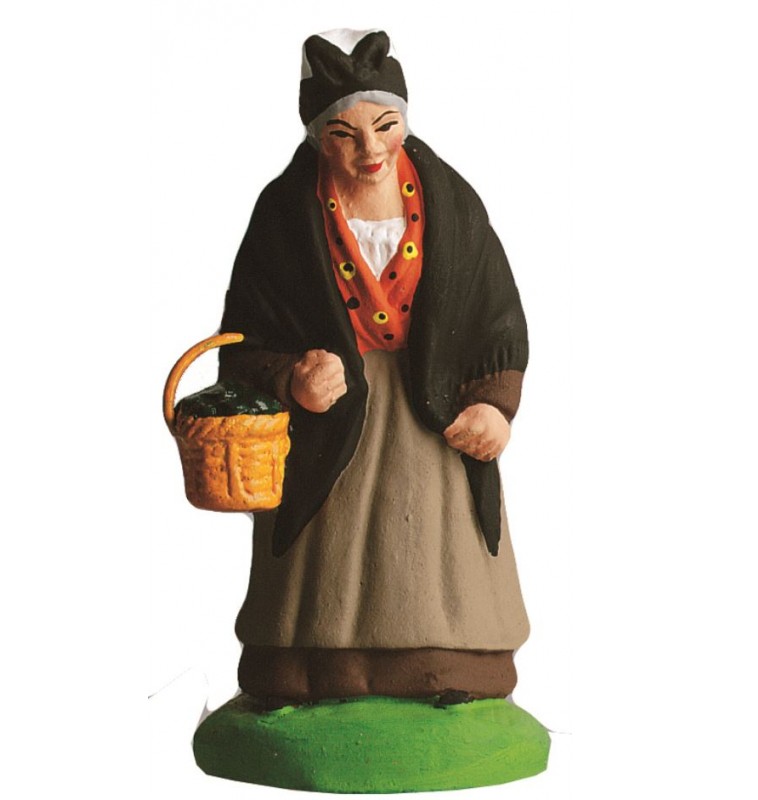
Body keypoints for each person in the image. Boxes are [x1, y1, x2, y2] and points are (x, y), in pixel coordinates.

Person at [217, 28, 531, 708]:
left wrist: (493, 404)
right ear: (316, 136)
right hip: (328, 430)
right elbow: (240, 344)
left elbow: (497, 315)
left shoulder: (452, 203)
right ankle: (315, 672)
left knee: (436, 551)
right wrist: (290, 378)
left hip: (434, 418)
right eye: (344, 134)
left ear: (404, 120)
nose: (370, 151)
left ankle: (448, 667)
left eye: (385, 126)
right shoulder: (284, 214)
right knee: (324, 573)